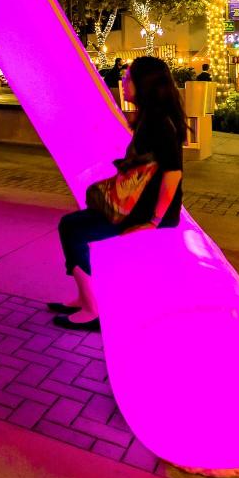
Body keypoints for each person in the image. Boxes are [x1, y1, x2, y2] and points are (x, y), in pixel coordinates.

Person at [50, 55, 186, 332]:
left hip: (144, 213)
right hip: (136, 207)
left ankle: (92, 308)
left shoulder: (158, 122)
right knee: (76, 227)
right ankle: (86, 298)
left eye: (128, 78)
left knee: (73, 229)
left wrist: (154, 221)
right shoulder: (151, 118)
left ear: (144, 84)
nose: (123, 82)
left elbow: (173, 174)